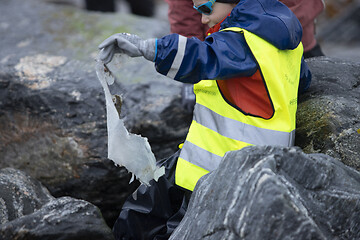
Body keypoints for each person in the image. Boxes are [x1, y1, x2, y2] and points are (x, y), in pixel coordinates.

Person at [98, 0, 312, 238]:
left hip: (222, 174)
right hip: (222, 164)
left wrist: (149, 47)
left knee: (171, 228)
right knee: (143, 210)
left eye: (206, 9)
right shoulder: (283, 41)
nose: (202, 20)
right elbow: (302, 81)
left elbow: (201, 55)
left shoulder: (239, 42)